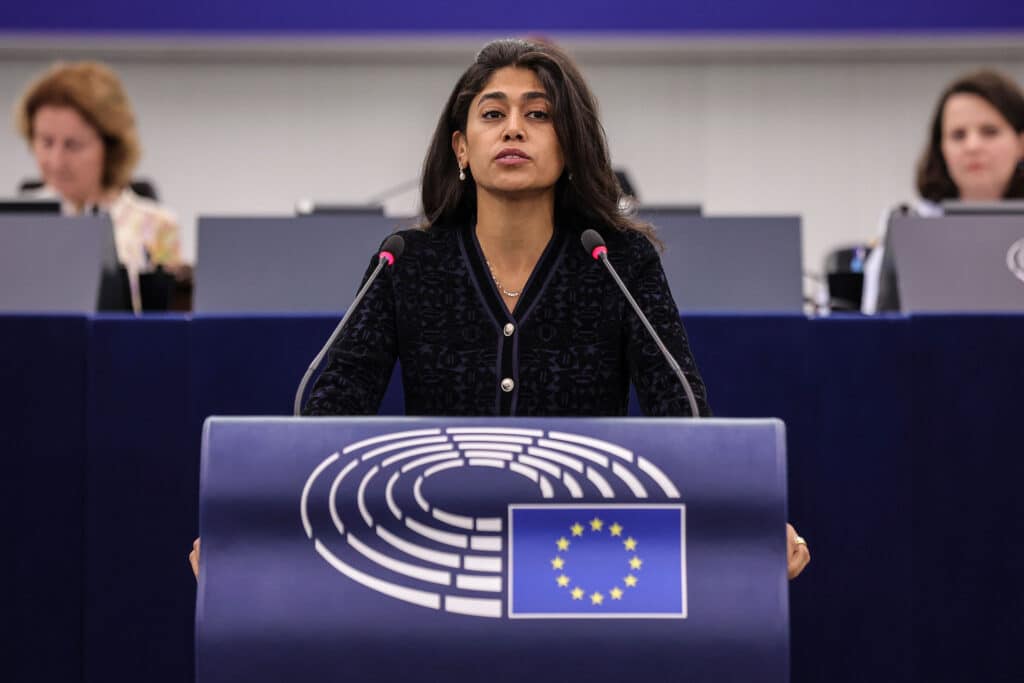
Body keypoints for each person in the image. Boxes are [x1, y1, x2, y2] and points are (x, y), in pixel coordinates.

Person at [190, 38, 810, 579]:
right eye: (493, 113)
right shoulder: (407, 261)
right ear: (462, 148)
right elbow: (331, 413)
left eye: (538, 114)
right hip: (440, 550)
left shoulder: (617, 261)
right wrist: (253, 529)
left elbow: (681, 409)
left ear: (569, 146)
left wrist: (743, 522)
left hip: (582, 554)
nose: (514, 128)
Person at [14, 61, 185, 312]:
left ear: (110, 147)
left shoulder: (160, 227)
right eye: (46, 142)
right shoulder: (14, 223)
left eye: (73, 145)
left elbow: (165, 321)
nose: (56, 161)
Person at [862, 68, 1024, 313]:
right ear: (941, 148)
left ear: (1021, 142)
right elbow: (878, 325)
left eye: (989, 131)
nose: (972, 146)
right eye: (958, 135)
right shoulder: (907, 229)